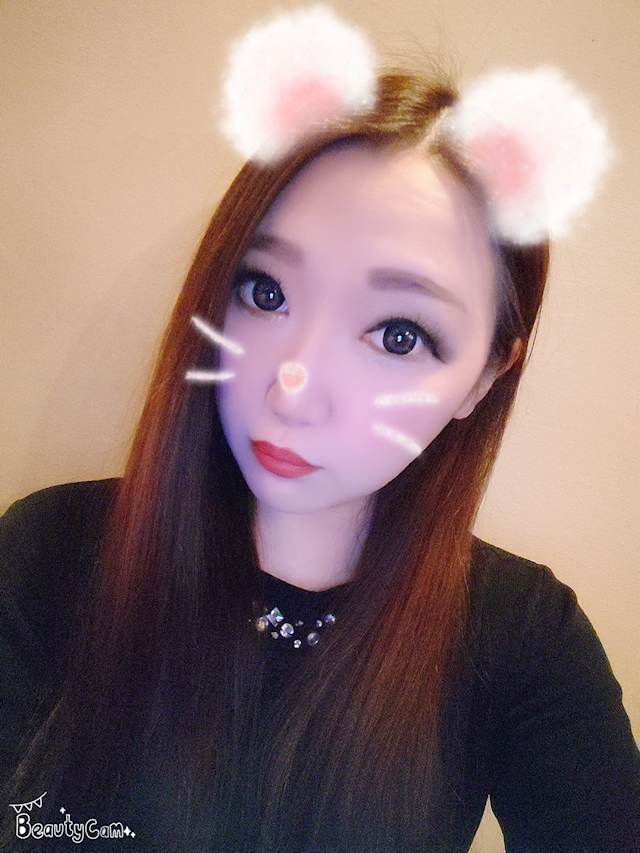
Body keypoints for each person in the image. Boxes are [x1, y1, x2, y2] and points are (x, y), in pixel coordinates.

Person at [1, 8, 639, 852]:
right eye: (265, 292)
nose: (291, 391)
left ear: (484, 377)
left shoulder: (524, 639)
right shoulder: (50, 552)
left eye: (399, 335)